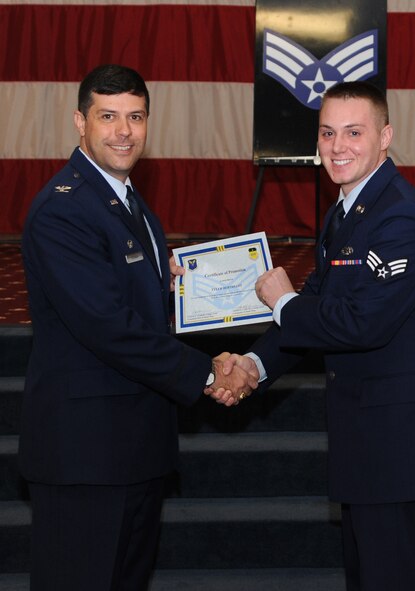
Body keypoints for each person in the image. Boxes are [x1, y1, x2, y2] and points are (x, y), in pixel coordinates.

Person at [213, 81, 415, 591]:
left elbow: (360, 322)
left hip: (400, 449)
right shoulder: (346, 209)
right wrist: (254, 366)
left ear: (385, 137)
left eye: (354, 132)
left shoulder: (402, 215)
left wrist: (283, 301)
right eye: (328, 132)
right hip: (368, 446)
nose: (337, 146)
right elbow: (315, 307)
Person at [20, 64, 257, 591]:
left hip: (133, 447)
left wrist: (183, 291)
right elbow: (106, 325)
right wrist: (206, 371)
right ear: (80, 122)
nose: (123, 130)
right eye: (108, 117)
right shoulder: (64, 210)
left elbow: (128, 300)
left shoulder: (129, 204)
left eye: (135, 116)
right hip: (85, 456)